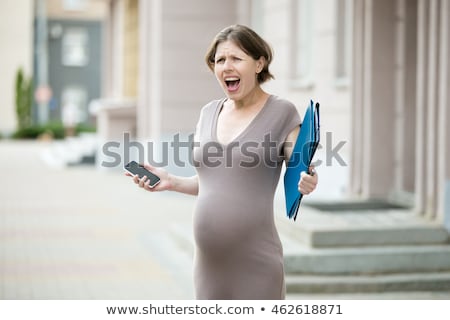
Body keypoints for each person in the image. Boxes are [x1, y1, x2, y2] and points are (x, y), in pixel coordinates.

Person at [126, 24, 318, 299]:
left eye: (236, 59)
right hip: (208, 265)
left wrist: (308, 179)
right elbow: (213, 183)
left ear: (259, 63)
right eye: (220, 60)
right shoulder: (208, 112)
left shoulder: (281, 112)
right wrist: (171, 181)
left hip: (256, 262)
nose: (226, 66)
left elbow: (300, 166)